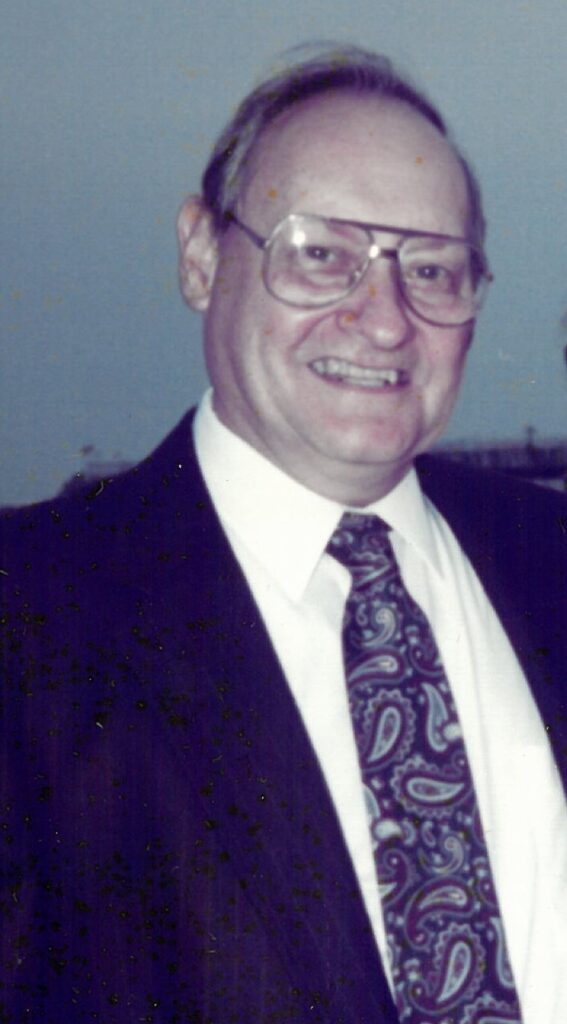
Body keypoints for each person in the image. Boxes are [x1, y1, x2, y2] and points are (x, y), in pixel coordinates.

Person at [1, 45, 566, 1024]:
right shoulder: (29, 621)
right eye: (322, 253)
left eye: (432, 268)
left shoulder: (552, 558)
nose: (385, 319)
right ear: (202, 254)